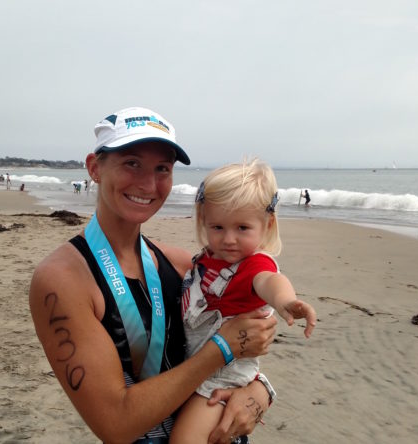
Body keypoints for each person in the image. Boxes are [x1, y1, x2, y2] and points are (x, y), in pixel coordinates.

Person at [29, 107, 277, 444]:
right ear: (94, 168)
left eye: (162, 169)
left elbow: (242, 342)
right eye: (132, 163)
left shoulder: (183, 265)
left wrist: (260, 392)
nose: (148, 184)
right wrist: (222, 348)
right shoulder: (62, 281)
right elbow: (115, 425)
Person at [170, 159, 317, 443]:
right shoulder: (207, 260)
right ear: (203, 221)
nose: (229, 239)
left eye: (242, 228)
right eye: (218, 227)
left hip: (221, 380)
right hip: (193, 367)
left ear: (267, 224)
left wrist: (286, 301)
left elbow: (270, 281)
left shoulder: (253, 265)